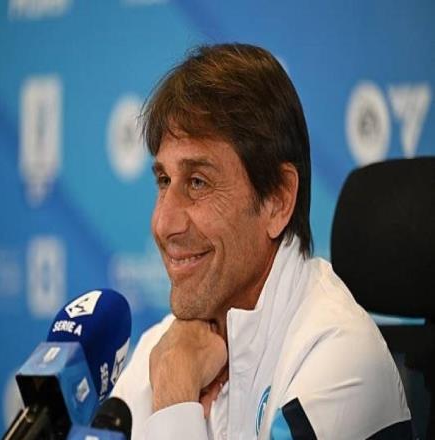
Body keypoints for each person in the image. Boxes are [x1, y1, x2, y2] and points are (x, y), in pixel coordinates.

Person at [111, 43, 412, 439]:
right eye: (164, 180)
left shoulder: (342, 362)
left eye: (198, 182)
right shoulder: (166, 348)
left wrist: (175, 400)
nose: (164, 223)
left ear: (277, 200)